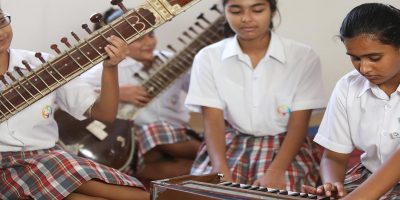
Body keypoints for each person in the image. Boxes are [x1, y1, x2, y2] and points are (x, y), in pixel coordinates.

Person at [0, 9, 149, 200]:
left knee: (138, 195)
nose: (1, 32)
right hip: (5, 166)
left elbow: (105, 114)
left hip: (48, 157)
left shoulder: (42, 65)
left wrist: (110, 68)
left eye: (2, 21)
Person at [185, 0, 326, 192]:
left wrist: (276, 171)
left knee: (280, 194)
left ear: (272, 11)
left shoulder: (303, 56)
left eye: (257, 10)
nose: (246, 19)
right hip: (230, 142)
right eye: (235, 10)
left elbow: (298, 126)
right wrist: (220, 169)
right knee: (206, 194)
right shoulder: (208, 57)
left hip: (284, 145)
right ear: (224, 12)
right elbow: (213, 122)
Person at [83, 8, 201, 180]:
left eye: (151, 35)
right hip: (139, 141)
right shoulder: (102, 70)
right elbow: (70, 98)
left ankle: (217, 155)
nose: (149, 43)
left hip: (180, 135)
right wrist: (117, 92)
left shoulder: (170, 60)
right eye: (138, 39)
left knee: (193, 165)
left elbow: (204, 91)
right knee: (155, 135)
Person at [303, 3, 400, 199]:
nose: (364, 68)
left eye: (374, 57)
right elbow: (334, 157)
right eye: (355, 58)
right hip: (370, 177)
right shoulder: (347, 86)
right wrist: (333, 184)